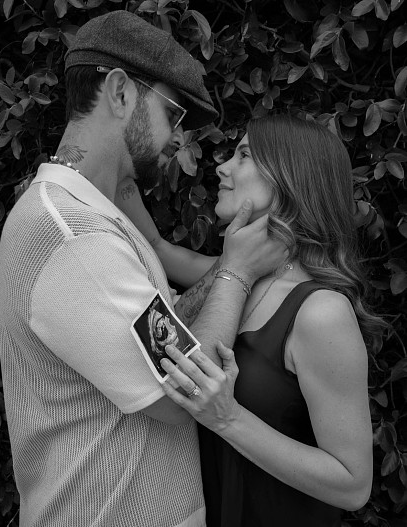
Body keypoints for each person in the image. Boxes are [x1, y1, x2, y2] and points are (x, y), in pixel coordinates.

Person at [0, 11, 286, 527]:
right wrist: (236, 272)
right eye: (172, 113)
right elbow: (182, 395)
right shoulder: (73, 237)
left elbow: (167, 333)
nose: (178, 135)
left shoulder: (93, 217)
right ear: (120, 92)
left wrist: (234, 263)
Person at [123, 114, 385, 527]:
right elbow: (158, 247)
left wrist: (229, 418)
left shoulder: (320, 312)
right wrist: (112, 176)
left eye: (243, 155)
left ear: (289, 177)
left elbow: (353, 486)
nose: (222, 167)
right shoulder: (234, 277)